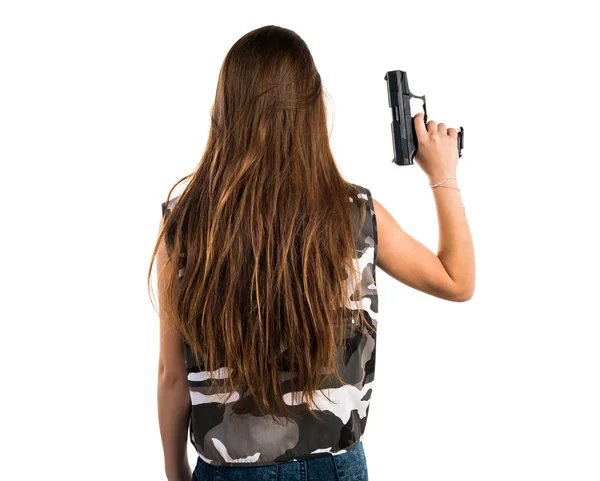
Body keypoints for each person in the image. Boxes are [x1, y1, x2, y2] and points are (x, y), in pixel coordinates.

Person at [149, 25, 475, 481]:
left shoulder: (184, 227)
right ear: (313, 108)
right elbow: (457, 280)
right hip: (336, 468)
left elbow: (171, 376)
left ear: (225, 109)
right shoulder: (354, 214)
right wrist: (443, 174)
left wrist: (175, 470)